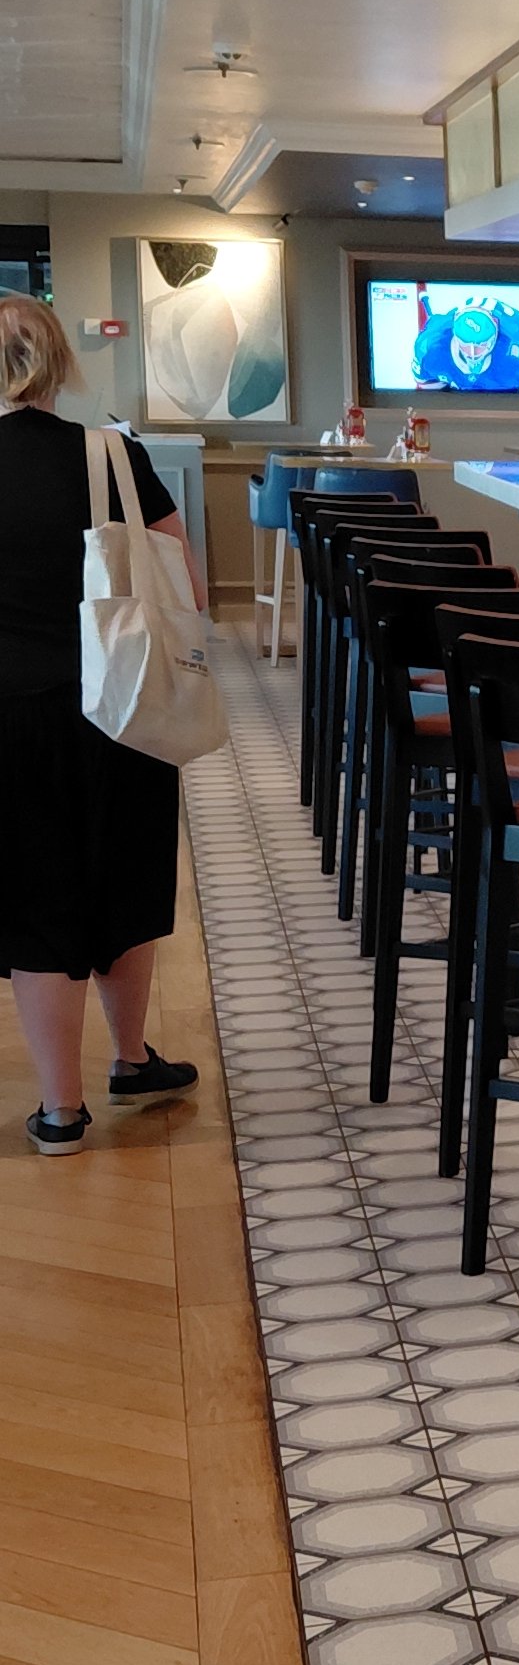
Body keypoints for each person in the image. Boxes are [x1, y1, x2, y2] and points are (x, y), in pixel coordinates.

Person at [0, 297, 202, 1153]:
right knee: (122, 876)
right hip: (121, 703)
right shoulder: (112, 454)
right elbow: (181, 582)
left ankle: (58, 1110)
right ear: (58, 364)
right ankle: (130, 1058)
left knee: (37, 900)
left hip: (10, 714)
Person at [410, 286, 519, 394]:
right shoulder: (428, 346)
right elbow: (428, 399)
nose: (473, 353)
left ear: (494, 339)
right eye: (466, 344)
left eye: (481, 345)